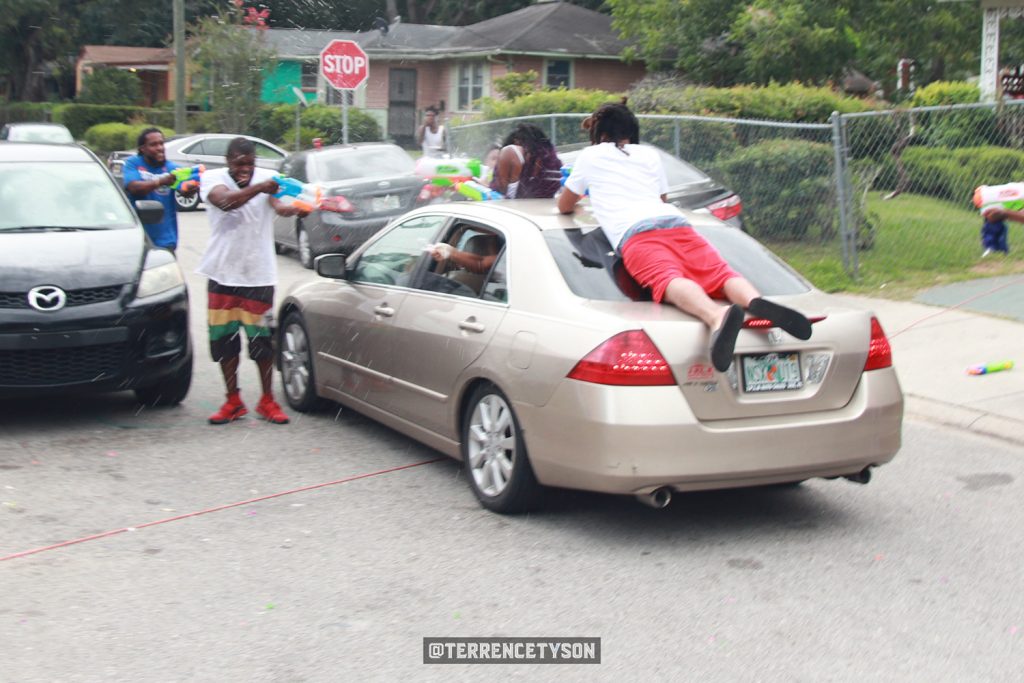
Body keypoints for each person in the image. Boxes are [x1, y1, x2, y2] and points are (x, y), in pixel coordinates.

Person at [557, 101, 812, 373]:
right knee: (720, 274)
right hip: (677, 224)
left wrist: (590, 200)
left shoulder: (590, 155)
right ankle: (754, 300)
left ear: (599, 133)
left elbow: (565, 204)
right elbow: (662, 198)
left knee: (668, 278)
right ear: (631, 130)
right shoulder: (648, 154)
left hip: (635, 233)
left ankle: (716, 316)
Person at [197, 137, 309, 425]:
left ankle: (267, 400)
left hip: (259, 276)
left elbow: (279, 206)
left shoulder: (268, 179)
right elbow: (224, 202)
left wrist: (299, 208)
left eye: (250, 163)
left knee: (262, 342)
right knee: (224, 342)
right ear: (228, 161)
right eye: (239, 164)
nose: (245, 169)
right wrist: (259, 187)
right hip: (221, 274)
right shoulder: (212, 179)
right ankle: (232, 400)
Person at [123, 128, 197, 253]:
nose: (159, 148)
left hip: (165, 239)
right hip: (139, 238)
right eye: (153, 145)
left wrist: (190, 190)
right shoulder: (133, 163)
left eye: (161, 143)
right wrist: (161, 181)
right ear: (142, 148)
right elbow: (133, 187)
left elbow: (184, 192)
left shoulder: (173, 168)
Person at [489, 123, 563, 199]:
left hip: (513, 205)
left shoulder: (510, 151)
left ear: (516, 142)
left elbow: (499, 194)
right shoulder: (553, 160)